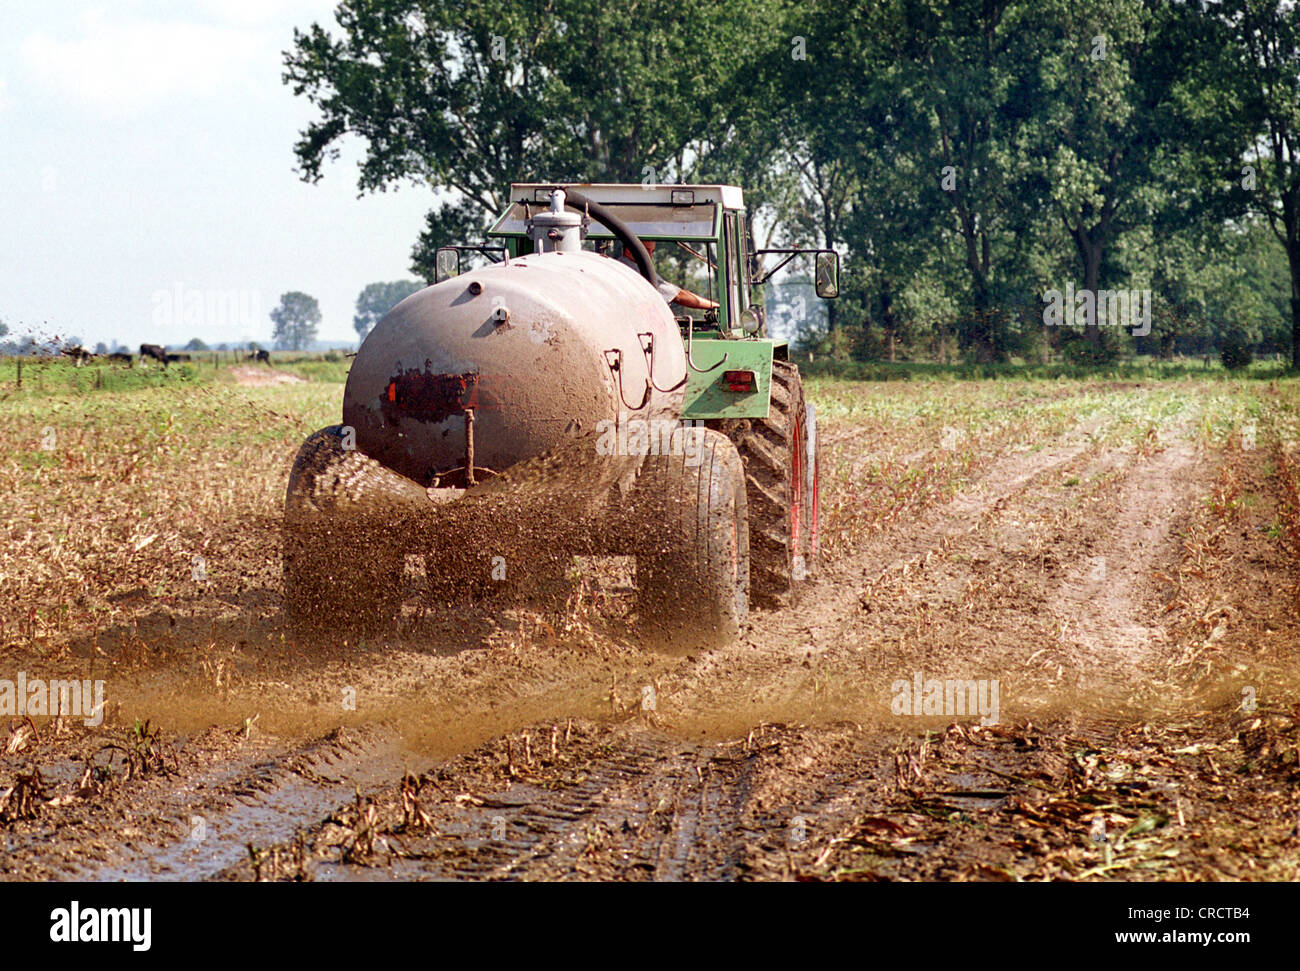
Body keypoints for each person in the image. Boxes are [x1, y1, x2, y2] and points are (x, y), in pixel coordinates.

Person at [614, 239, 719, 310]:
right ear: (628, 250)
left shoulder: (615, 265)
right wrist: (714, 306)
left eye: (652, 252)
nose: (649, 257)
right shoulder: (635, 270)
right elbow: (678, 296)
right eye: (645, 251)